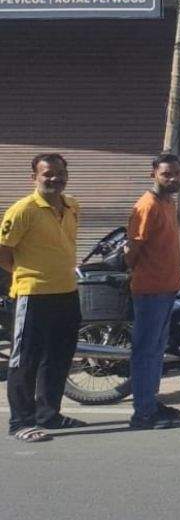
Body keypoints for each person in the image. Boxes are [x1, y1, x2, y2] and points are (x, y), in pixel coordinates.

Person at [1, 154, 83, 442]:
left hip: (67, 292)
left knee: (59, 357)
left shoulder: (72, 206)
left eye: (60, 173)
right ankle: (21, 422)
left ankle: (49, 414)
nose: (54, 178)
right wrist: (27, 273)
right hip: (33, 295)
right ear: (34, 177)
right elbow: (4, 250)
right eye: (47, 174)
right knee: (25, 361)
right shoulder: (23, 210)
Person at [124, 154, 180, 431]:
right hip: (150, 289)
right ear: (154, 175)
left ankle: (150, 402)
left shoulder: (168, 203)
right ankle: (142, 413)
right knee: (146, 352)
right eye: (166, 175)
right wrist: (141, 271)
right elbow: (132, 250)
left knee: (156, 351)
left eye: (176, 174)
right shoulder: (147, 205)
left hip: (168, 287)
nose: (172, 179)